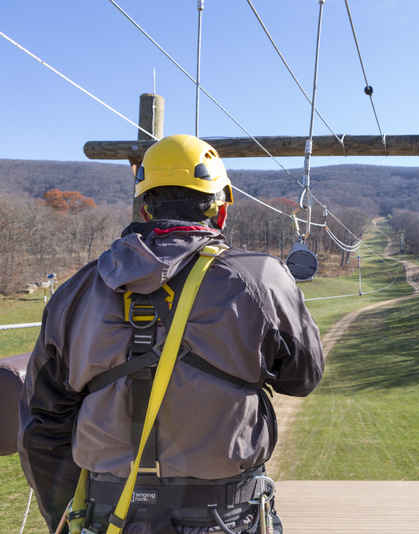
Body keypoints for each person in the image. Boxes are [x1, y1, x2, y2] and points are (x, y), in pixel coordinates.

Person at [18, 134, 324, 533]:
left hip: (108, 516)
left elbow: (43, 428)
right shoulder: (260, 279)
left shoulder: (76, 291)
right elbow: (303, 377)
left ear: (144, 210)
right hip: (223, 516)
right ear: (221, 210)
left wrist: (63, 517)